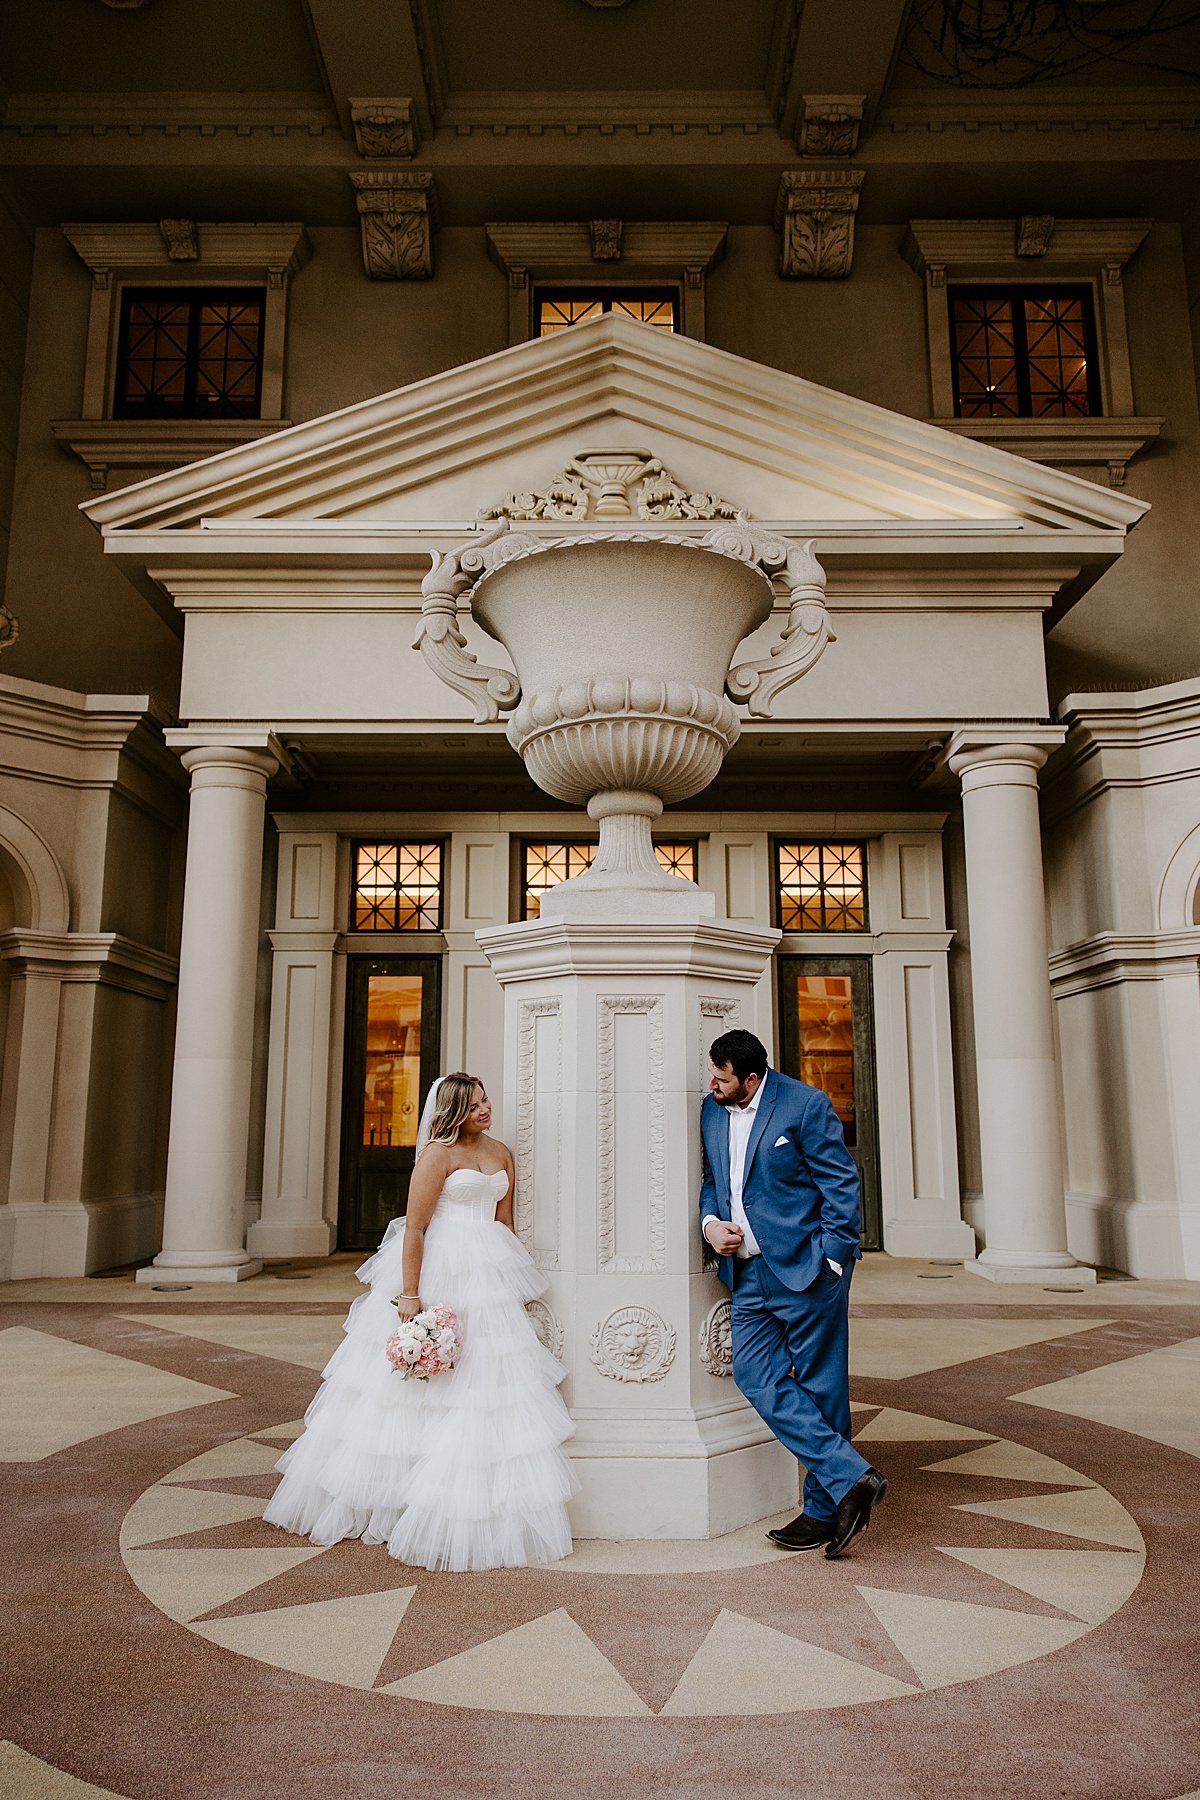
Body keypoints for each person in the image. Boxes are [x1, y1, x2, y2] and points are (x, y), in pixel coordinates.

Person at [263, 1072, 577, 1571]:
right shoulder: (438, 1155)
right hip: (442, 1267)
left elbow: (505, 1221)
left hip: (489, 1273)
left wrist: (514, 1280)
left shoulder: (500, 1152)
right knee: (421, 1387)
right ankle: (401, 1496)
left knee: (486, 1382)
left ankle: (470, 1497)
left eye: (486, 1100)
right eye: (474, 1105)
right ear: (453, 1111)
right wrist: (411, 1294)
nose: (485, 1109)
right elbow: (416, 1226)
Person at [699, 1028, 887, 1558]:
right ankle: (852, 1476)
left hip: (808, 1271)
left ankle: (823, 1511)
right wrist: (711, 1222)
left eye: (722, 1078)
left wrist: (834, 1259)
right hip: (747, 1275)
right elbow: (714, 1179)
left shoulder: (805, 1105)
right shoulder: (713, 1110)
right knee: (753, 1374)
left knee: (823, 1388)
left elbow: (841, 1185)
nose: (712, 1085)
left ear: (751, 1078)